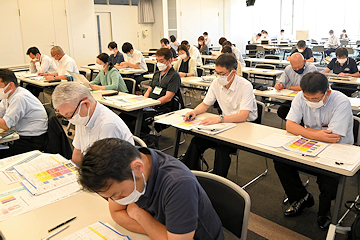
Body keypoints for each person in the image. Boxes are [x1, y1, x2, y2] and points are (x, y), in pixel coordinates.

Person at [79, 138, 224, 240]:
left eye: (119, 194)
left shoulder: (178, 184)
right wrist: (156, 231)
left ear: (137, 168)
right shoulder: (125, 162)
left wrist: (139, 215)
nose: (118, 200)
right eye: (111, 197)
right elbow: (116, 212)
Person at [274, 72, 353, 230]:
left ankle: (324, 213)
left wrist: (303, 130)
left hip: (336, 151)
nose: (310, 102)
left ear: (327, 93)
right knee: (280, 161)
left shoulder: (341, 101)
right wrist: (315, 133)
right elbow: (290, 125)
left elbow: (334, 137)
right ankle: (301, 197)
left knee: (328, 179)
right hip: (310, 145)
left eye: (315, 99)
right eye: (307, 98)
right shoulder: (300, 97)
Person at [181, 54, 257, 178]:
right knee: (197, 140)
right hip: (226, 123)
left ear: (233, 72)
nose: (219, 77)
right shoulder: (216, 83)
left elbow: (243, 116)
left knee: (222, 149)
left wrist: (219, 118)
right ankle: (189, 176)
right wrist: (194, 111)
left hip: (244, 125)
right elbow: (205, 104)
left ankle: (217, 184)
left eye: (222, 73)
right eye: (217, 73)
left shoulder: (245, 85)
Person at [52, 82, 134, 165]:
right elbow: (77, 152)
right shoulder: (81, 117)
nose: (70, 120)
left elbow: (106, 168)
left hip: (114, 171)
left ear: (86, 104)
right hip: (93, 168)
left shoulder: (108, 125)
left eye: (69, 115)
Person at [122, 48, 182, 134]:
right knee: (125, 116)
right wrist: (143, 101)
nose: (159, 63)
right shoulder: (157, 73)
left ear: (169, 60)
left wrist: (151, 104)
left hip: (163, 107)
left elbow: (168, 98)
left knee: (138, 121)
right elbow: (150, 89)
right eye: (157, 60)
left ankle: (146, 138)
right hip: (150, 104)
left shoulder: (174, 76)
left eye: (161, 60)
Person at [0, 69, 48, 158]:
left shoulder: (19, 97)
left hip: (32, 140)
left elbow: (6, 124)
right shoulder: (9, 95)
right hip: (21, 135)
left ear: (10, 85)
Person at [275, 53, 317, 120]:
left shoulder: (311, 69)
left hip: (308, 99)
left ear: (305, 61)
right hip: (294, 98)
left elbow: (306, 87)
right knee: (282, 111)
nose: (297, 69)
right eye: (294, 68)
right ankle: (293, 125)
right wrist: (279, 85)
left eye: (299, 67)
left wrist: (288, 88)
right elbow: (282, 82)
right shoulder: (288, 69)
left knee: (305, 114)